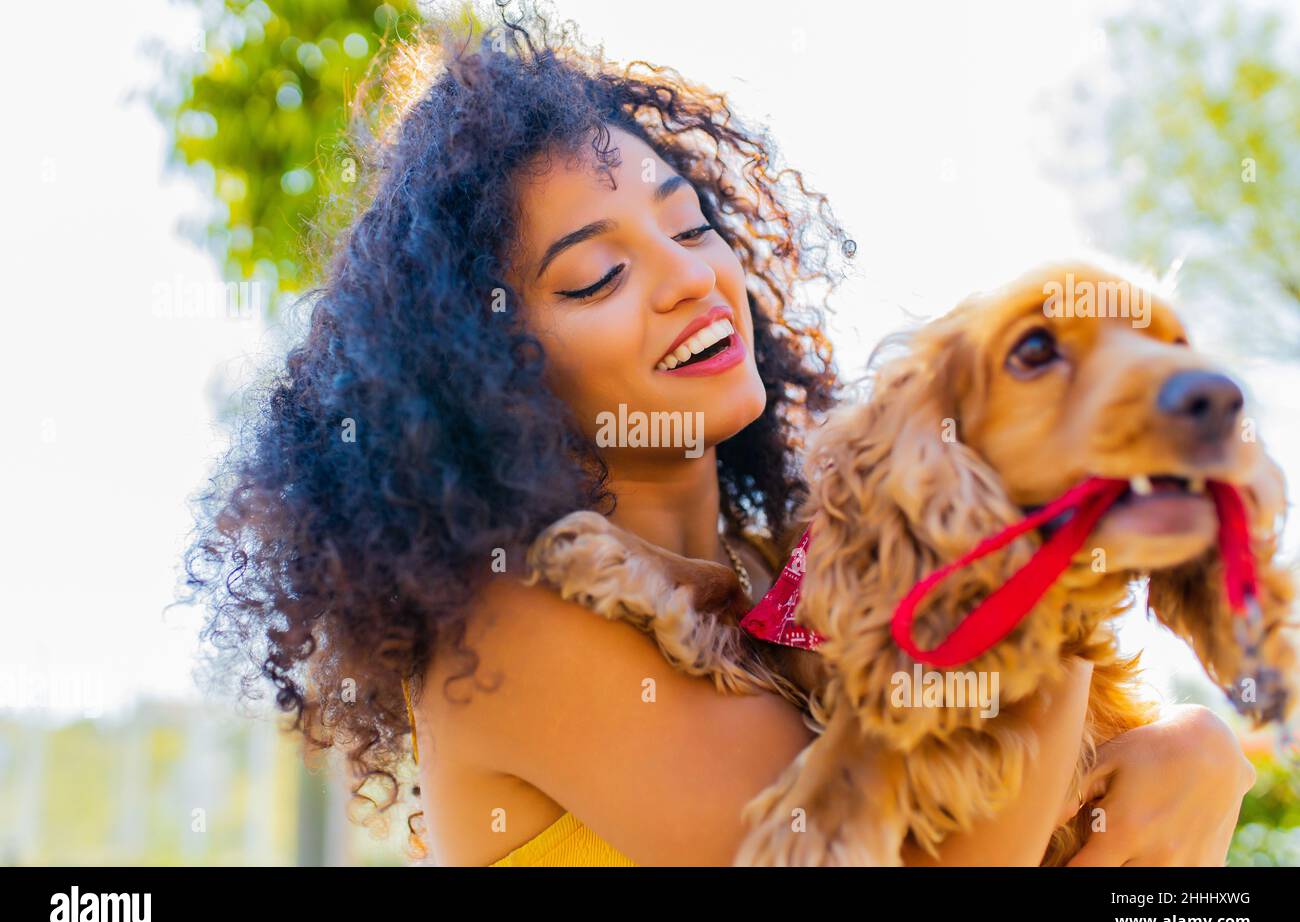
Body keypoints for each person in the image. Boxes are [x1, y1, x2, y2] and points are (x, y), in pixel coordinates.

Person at [181, 3, 1256, 867]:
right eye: (598, 275)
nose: (692, 277)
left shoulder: (790, 570)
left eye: (691, 223)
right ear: (485, 369)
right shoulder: (512, 627)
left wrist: (1192, 756)